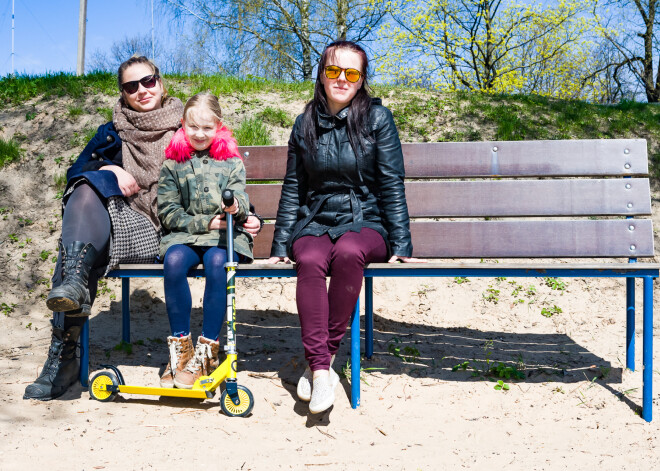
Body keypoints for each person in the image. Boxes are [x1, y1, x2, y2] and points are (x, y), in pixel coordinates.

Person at [24, 56, 261, 401]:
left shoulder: (185, 126)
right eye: (131, 86)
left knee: (83, 244)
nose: (142, 90)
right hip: (135, 223)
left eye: (148, 81)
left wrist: (246, 213)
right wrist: (109, 169)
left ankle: (69, 350)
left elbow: (223, 179)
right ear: (122, 93)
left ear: (161, 83)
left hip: (169, 231)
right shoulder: (113, 131)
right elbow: (76, 170)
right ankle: (63, 356)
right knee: (85, 195)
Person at [267, 40, 424, 414]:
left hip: (366, 218)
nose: (341, 79)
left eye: (351, 73)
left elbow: (390, 182)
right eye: (333, 70)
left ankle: (321, 361)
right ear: (321, 75)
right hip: (316, 217)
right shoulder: (304, 122)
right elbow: (295, 187)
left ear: (361, 80)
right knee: (307, 257)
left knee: (350, 252)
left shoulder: (377, 119)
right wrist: (279, 245)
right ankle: (323, 370)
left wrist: (401, 243)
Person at [157, 93, 252, 388]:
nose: (199, 134)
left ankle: (206, 350)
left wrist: (236, 207)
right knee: (173, 261)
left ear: (219, 126)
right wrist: (202, 222)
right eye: (193, 127)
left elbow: (242, 200)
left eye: (207, 129)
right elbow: (168, 212)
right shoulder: (172, 165)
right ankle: (180, 350)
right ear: (182, 124)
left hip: (223, 237)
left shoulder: (231, 163)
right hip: (185, 236)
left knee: (217, 262)